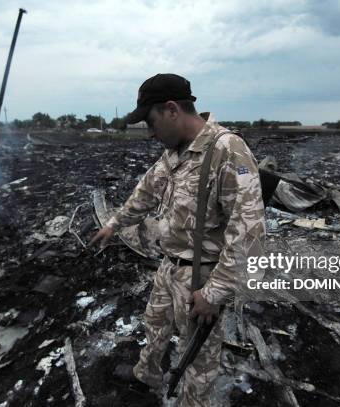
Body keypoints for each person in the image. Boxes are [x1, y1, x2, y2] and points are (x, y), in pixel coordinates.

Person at [90, 73, 265, 406]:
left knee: (198, 359)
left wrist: (213, 294)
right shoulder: (173, 152)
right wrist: (113, 224)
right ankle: (147, 375)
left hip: (202, 277)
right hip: (169, 267)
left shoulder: (227, 150)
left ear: (172, 109)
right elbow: (144, 193)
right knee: (154, 325)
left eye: (152, 122)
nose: (151, 132)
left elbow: (250, 234)